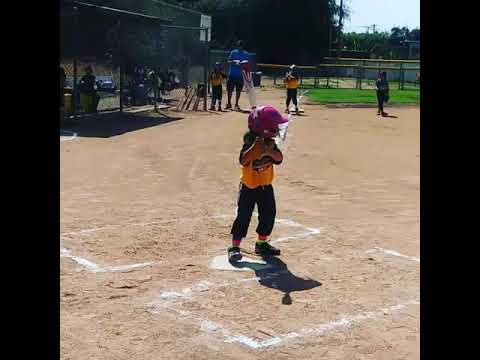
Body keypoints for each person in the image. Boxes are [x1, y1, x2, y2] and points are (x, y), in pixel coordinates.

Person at [228, 105, 288, 262]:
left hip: (265, 186)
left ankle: (261, 243)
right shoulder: (249, 142)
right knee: (243, 216)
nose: (276, 128)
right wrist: (253, 150)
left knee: (268, 215)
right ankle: (234, 246)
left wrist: (270, 152)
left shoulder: (270, 142)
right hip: (249, 186)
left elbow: (279, 159)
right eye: (273, 125)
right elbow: (243, 160)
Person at [226, 40, 250, 111]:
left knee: (238, 90)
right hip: (232, 74)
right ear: (237, 46)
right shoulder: (233, 52)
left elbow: (248, 64)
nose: (240, 47)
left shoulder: (246, 54)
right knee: (230, 90)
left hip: (240, 75)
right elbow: (228, 61)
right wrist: (233, 61)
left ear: (243, 46)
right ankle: (229, 103)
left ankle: (236, 104)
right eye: (239, 46)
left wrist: (243, 64)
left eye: (241, 46)